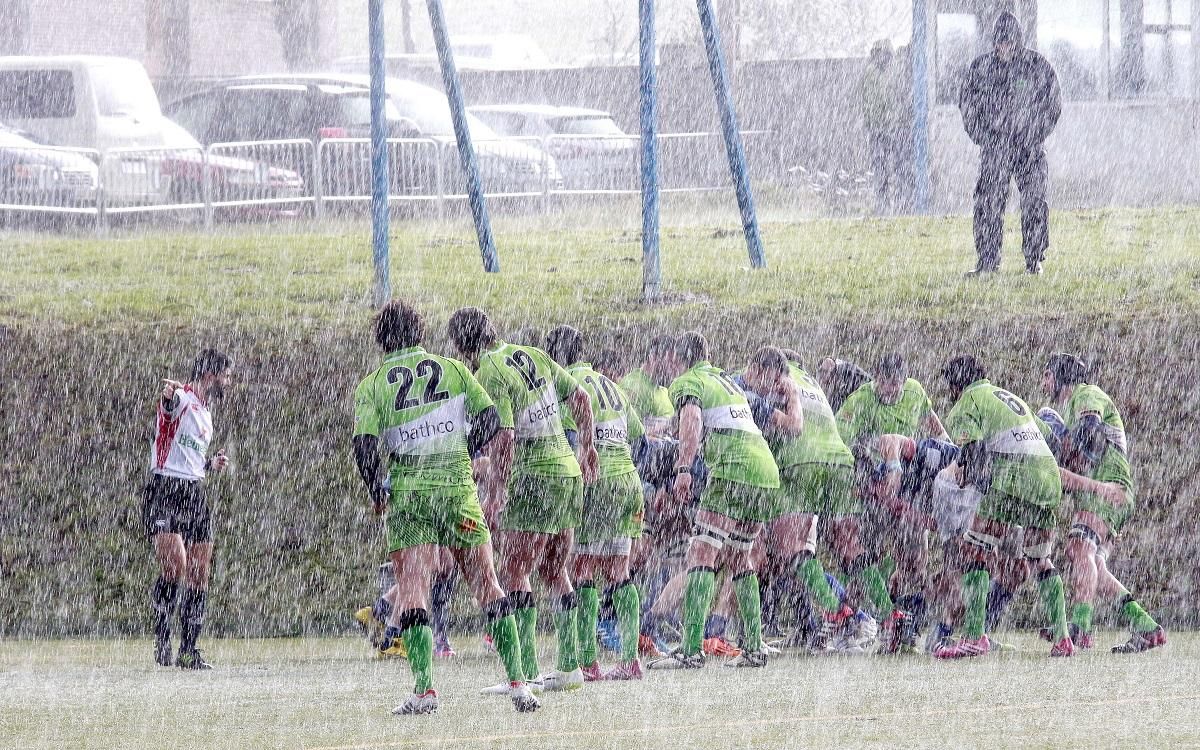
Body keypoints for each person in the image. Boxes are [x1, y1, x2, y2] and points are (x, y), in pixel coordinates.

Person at [351, 300, 538, 715]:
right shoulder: (453, 370)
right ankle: (519, 684)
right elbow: (491, 419)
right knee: (487, 584)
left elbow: (363, 446)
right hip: (457, 489)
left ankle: (424, 690)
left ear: (382, 339)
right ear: (419, 332)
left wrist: (376, 491)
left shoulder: (373, 385)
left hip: (411, 496)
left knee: (414, 590)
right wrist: (463, 452)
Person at [447, 307, 599, 695]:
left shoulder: (489, 373)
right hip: (567, 472)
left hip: (534, 478)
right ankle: (569, 667)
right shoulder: (533, 353)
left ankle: (527, 672)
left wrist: (497, 491)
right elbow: (580, 396)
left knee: (514, 572)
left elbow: (506, 436)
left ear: (463, 345)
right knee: (555, 571)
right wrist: (589, 446)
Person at [648, 332, 781, 670]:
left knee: (701, 553)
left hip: (733, 469)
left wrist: (683, 468)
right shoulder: (723, 379)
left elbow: (691, 419)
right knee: (739, 557)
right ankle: (754, 647)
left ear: (677, 359)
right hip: (764, 471)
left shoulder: (687, 381)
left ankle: (690, 649)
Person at [934, 355, 1072, 659]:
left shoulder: (966, 402)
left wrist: (973, 484)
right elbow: (1051, 439)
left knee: (976, 550)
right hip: (1046, 477)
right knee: (1039, 559)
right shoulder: (1010, 396)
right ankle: (1063, 638)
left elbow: (972, 450)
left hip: (1012, 477)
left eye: (949, 386)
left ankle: (974, 636)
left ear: (957, 384)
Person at [1039, 353, 1166, 653]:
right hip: (1104, 494)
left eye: (1046, 375)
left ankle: (1081, 627)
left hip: (1109, 491)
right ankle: (1147, 627)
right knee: (1095, 564)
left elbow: (1089, 431)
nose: (1044, 383)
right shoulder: (1073, 406)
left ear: (1060, 377)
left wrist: (1063, 452)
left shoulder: (1087, 393)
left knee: (1078, 547)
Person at [545, 325, 648, 681]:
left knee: (584, 569)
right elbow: (642, 439)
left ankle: (588, 661)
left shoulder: (565, 384)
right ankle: (630, 659)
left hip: (596, 480)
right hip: (628, 480)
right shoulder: (612, 386)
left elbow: (562, 436)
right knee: (619, 571)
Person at [144, 349, 232, 670]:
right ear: (211, 374)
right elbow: (168, 406)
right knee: (174, 568)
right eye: (226, 375)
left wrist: (210, 463)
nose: (228, 382)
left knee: (199, 571)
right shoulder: (182, 396)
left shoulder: (206, 412)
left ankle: (189, 650)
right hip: (165, 489)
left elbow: (190, 457)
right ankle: (163, 638)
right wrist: (167, 399)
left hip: (193, 491)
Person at [958, 11, 1062, 275]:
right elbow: (968, 106)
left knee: (1034, 201)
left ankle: (1034, 259)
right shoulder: (981, 70)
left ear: (1017, 41)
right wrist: (986, 137)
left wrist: (1033, 134)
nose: (1005, 48)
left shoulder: (1036, 67)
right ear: (994, 42)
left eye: (1010, 42)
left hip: (1029, 148)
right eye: (1000, 42)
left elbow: (1052, 104)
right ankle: (988, 262)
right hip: (996, 149)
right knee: (988, 203)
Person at [860, 39, 902, 215]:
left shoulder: (892, 72)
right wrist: (880, 122)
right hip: (880, 129)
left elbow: (893, 98)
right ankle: (884, 204)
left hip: (889, 128)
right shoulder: (872, 74)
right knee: (882, 168)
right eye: (881, 54)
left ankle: (891, 203)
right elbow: (871, 102)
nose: (883, 58)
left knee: (889, 168)